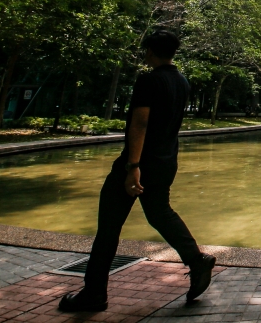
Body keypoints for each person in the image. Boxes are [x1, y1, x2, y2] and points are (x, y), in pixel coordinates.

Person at [59, 30, 216, 312]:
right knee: (160, 214)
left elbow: (140, 123)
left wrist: (132, 167)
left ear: (150, 51)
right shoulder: (182, 82)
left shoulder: (148, 80)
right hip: (166, 161)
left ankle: (94, 294)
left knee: (108, 228)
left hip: (139, 163)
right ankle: (196, 259)